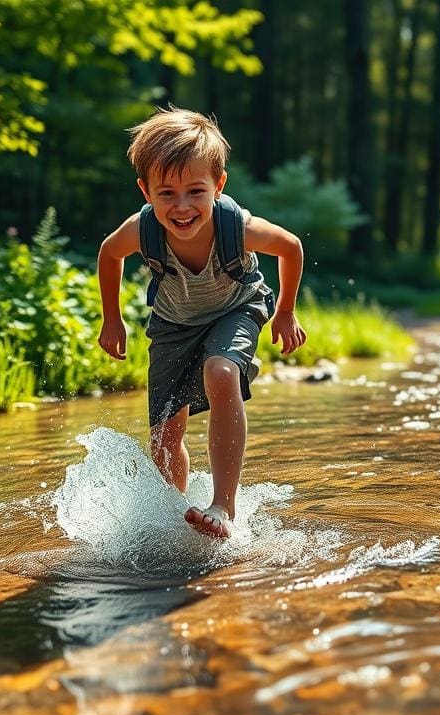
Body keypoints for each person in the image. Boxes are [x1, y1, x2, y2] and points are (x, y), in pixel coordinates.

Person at [97, 108, 306, 539]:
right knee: (165, 434)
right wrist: (112, 320)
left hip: (236, 308)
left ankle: (222, 505)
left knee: (220, 370)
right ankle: (176, 518)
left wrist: (284, 312)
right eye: (166, 194)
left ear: (219, 185)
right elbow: (108, 253)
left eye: (196, 191)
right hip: (173, 324)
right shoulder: (141, 230)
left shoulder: (239, 227)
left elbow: (291, 247)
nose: (182, 206)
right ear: (145, 191)